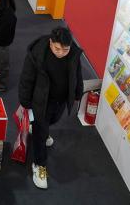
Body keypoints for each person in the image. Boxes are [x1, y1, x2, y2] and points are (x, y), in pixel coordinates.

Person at [18, 26, 84, 190]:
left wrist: (78, 93)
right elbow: (26, 78)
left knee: (52, 120)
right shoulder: (37, 54)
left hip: (60, 100)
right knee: (40, 132)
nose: (61, 53)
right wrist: (25, 102)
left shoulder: (73, 54)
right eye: (57, 49)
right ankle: (39, 165)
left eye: (65, 50)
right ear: (50, 42)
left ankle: (41, 129)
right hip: (41, 100)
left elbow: (77, 74)